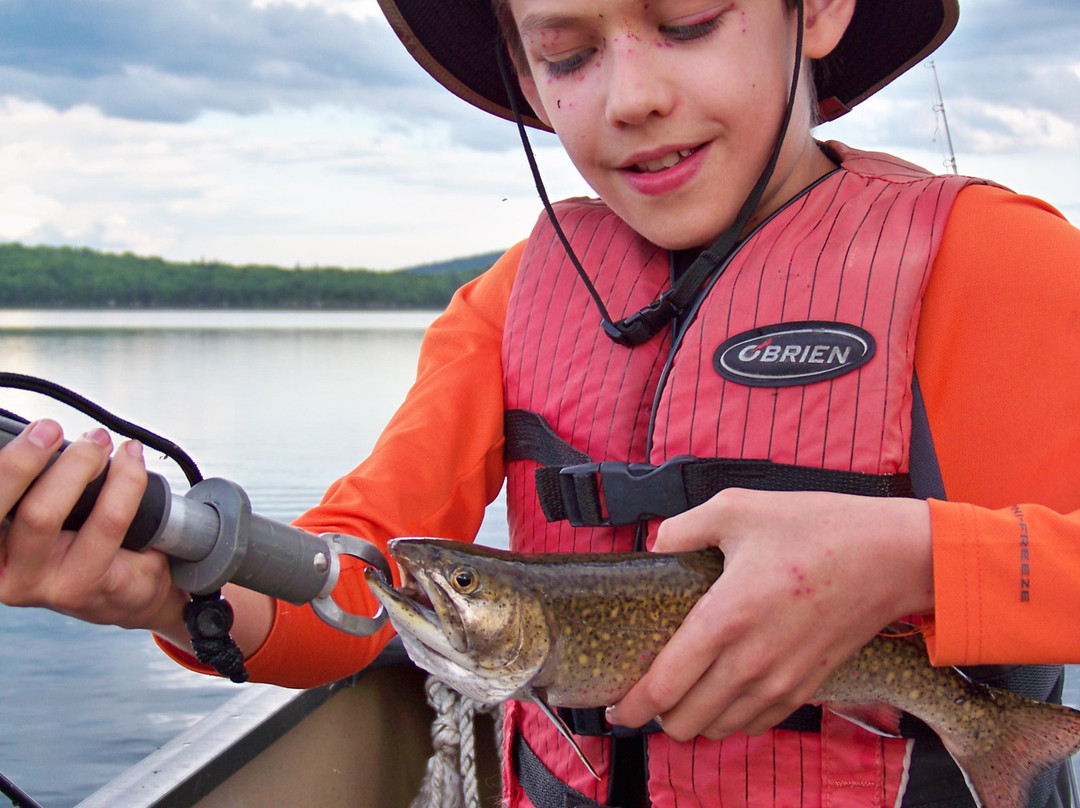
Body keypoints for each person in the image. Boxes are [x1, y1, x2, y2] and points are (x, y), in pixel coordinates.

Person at [2, 0, 1080, 805]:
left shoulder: (998, 265)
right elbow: (354, 587)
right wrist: (165, 589)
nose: (630, 96)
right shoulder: (512, 300)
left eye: (691, 19)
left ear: (825, 7)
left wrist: (918, 559)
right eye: (566, 53)